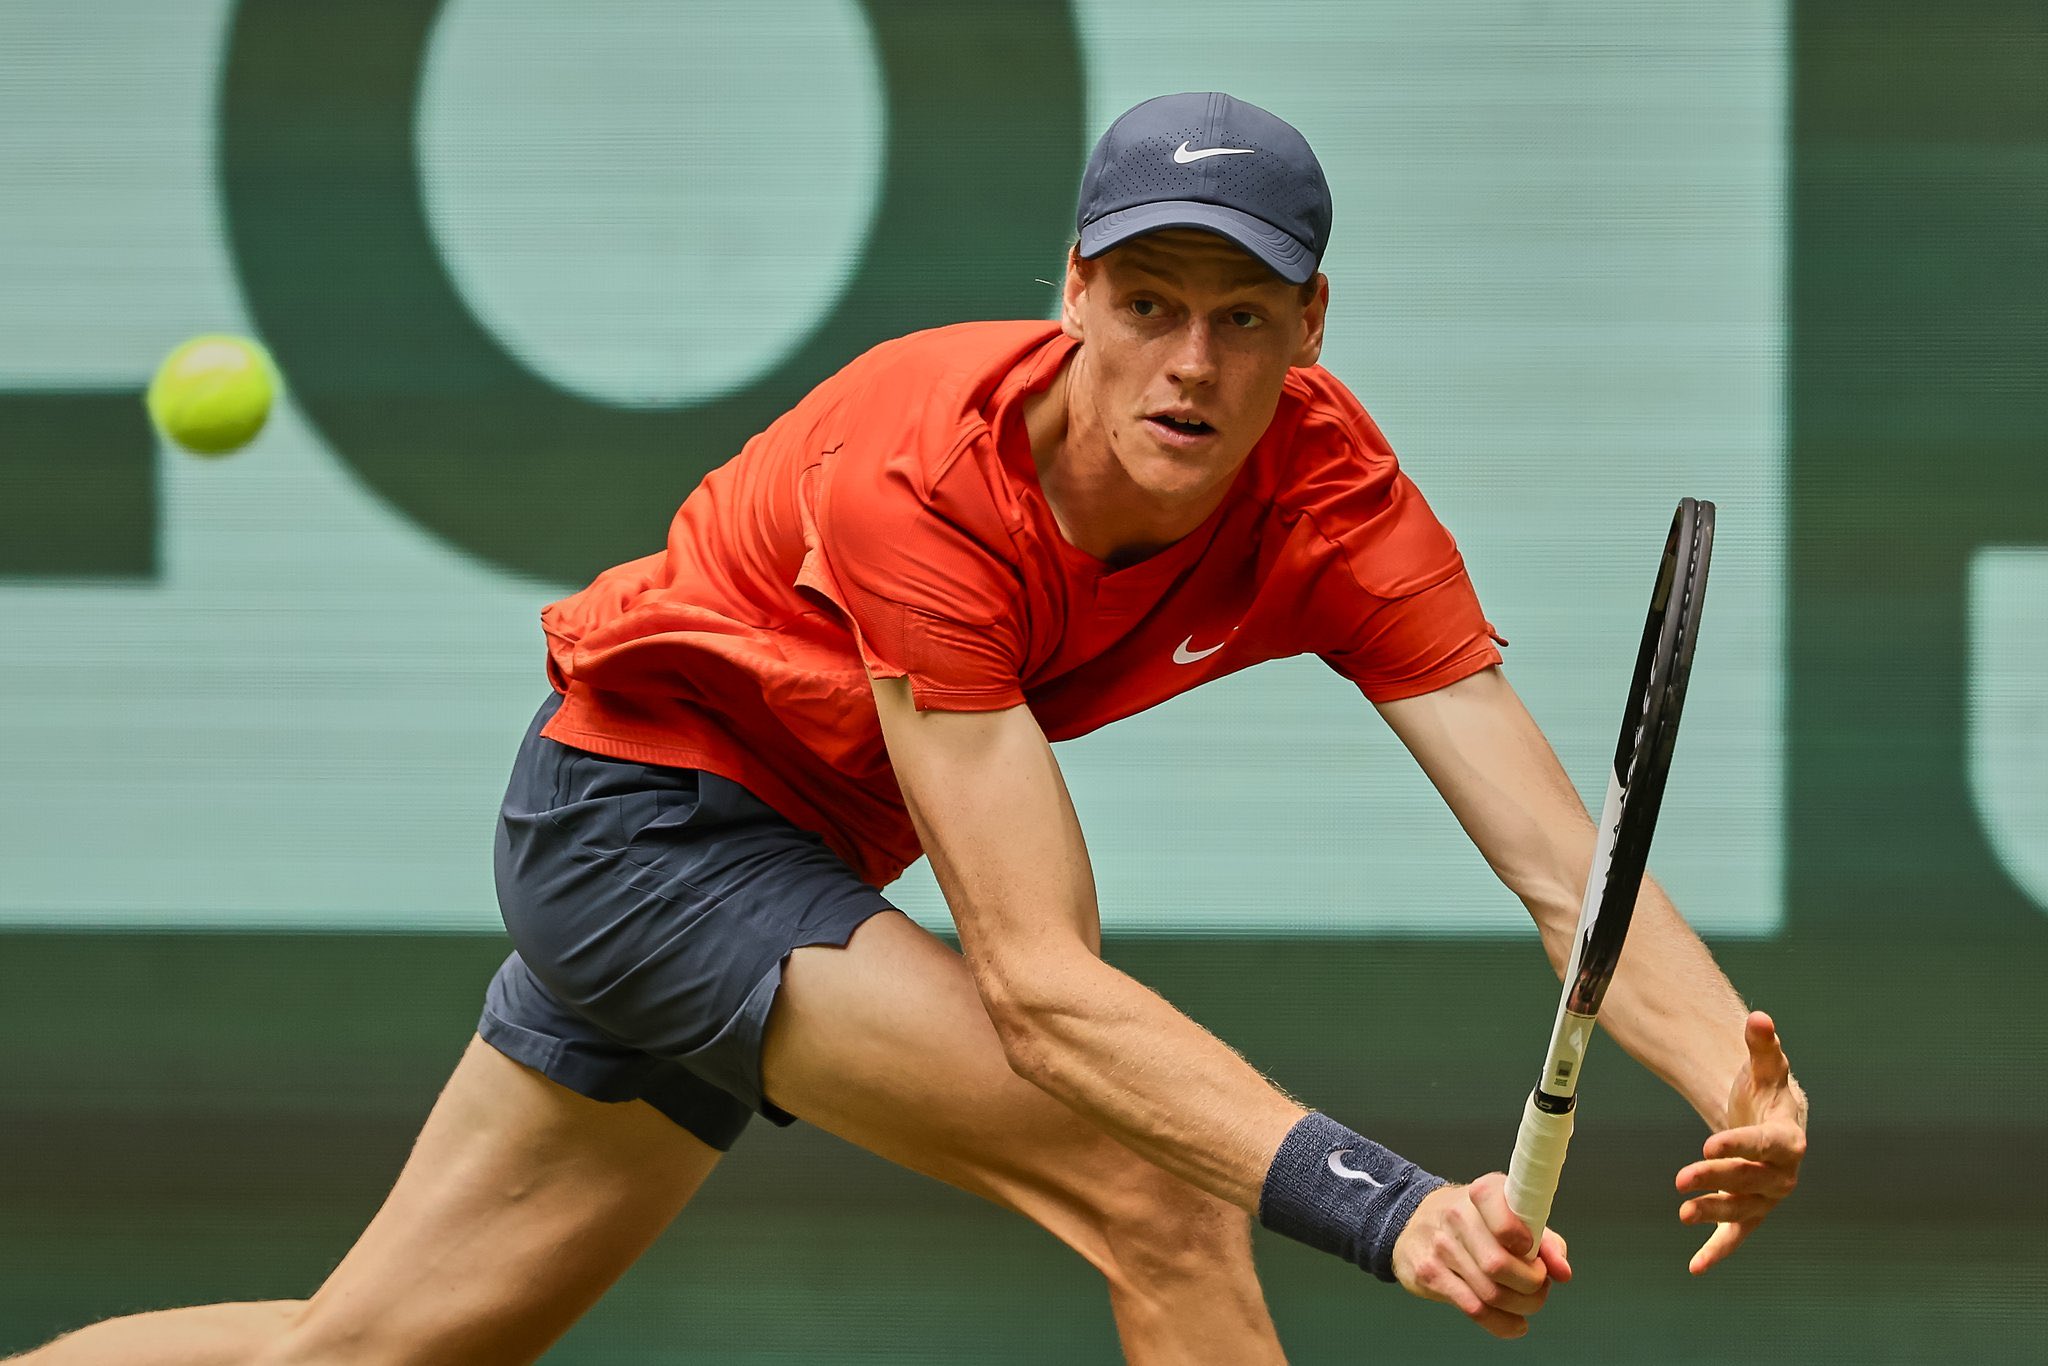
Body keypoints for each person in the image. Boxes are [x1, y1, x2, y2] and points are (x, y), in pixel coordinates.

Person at [13, 91, 1807, 1365]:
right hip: (640, 829)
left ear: (1309, 330)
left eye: (1242, 318)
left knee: (364, 1351)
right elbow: (1039, 982)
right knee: (1154, 1184)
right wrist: (1388, 1201)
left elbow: (1566, 860)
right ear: (1077, 294)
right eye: (1150, 305)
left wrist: (1730, 1074)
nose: (1190, 362)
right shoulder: (921, 469)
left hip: (784, 868)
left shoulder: (1338, 506)